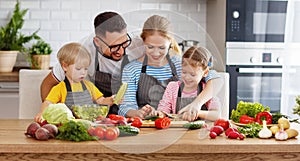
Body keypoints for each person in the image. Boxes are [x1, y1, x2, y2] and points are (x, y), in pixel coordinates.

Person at [118, 15, 221, 121]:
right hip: (145, 125)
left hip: (175, 126)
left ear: (170, 43)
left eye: (162, 48)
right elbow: (125, 107)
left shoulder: (180, 64)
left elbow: (215, 79)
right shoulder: (131, 70)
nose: (156, 53)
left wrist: (196, 104)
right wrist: (138, 113)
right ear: (143, 42)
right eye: (150, 47)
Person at [40, 12, 144, 114]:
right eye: (114, 47)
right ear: (97, 42)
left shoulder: (141, 40)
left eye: (125, 43)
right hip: (103, 115)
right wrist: (51, 114)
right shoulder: (83, 51)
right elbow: (47, 84)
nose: (121, 51)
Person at [34, 42, 115, 123]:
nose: (83, 72)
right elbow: (48, 102)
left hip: (89, 124)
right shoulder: (60, 88)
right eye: (78, 68)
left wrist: (112, 100)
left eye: (86, 69)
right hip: (69, 125)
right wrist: (42, 113)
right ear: (65, 66)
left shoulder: (89, 86)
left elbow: (101, 101)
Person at [157, 46, 220, 121]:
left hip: (200, 131)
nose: (187, 77)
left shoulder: (206, 89)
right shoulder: (172, 87)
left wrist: (197, 112)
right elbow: (163, 110)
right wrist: (159, 114)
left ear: (205, 72)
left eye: (192, 74)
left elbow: (217, 115)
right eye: (184, 72)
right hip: (176, 131)